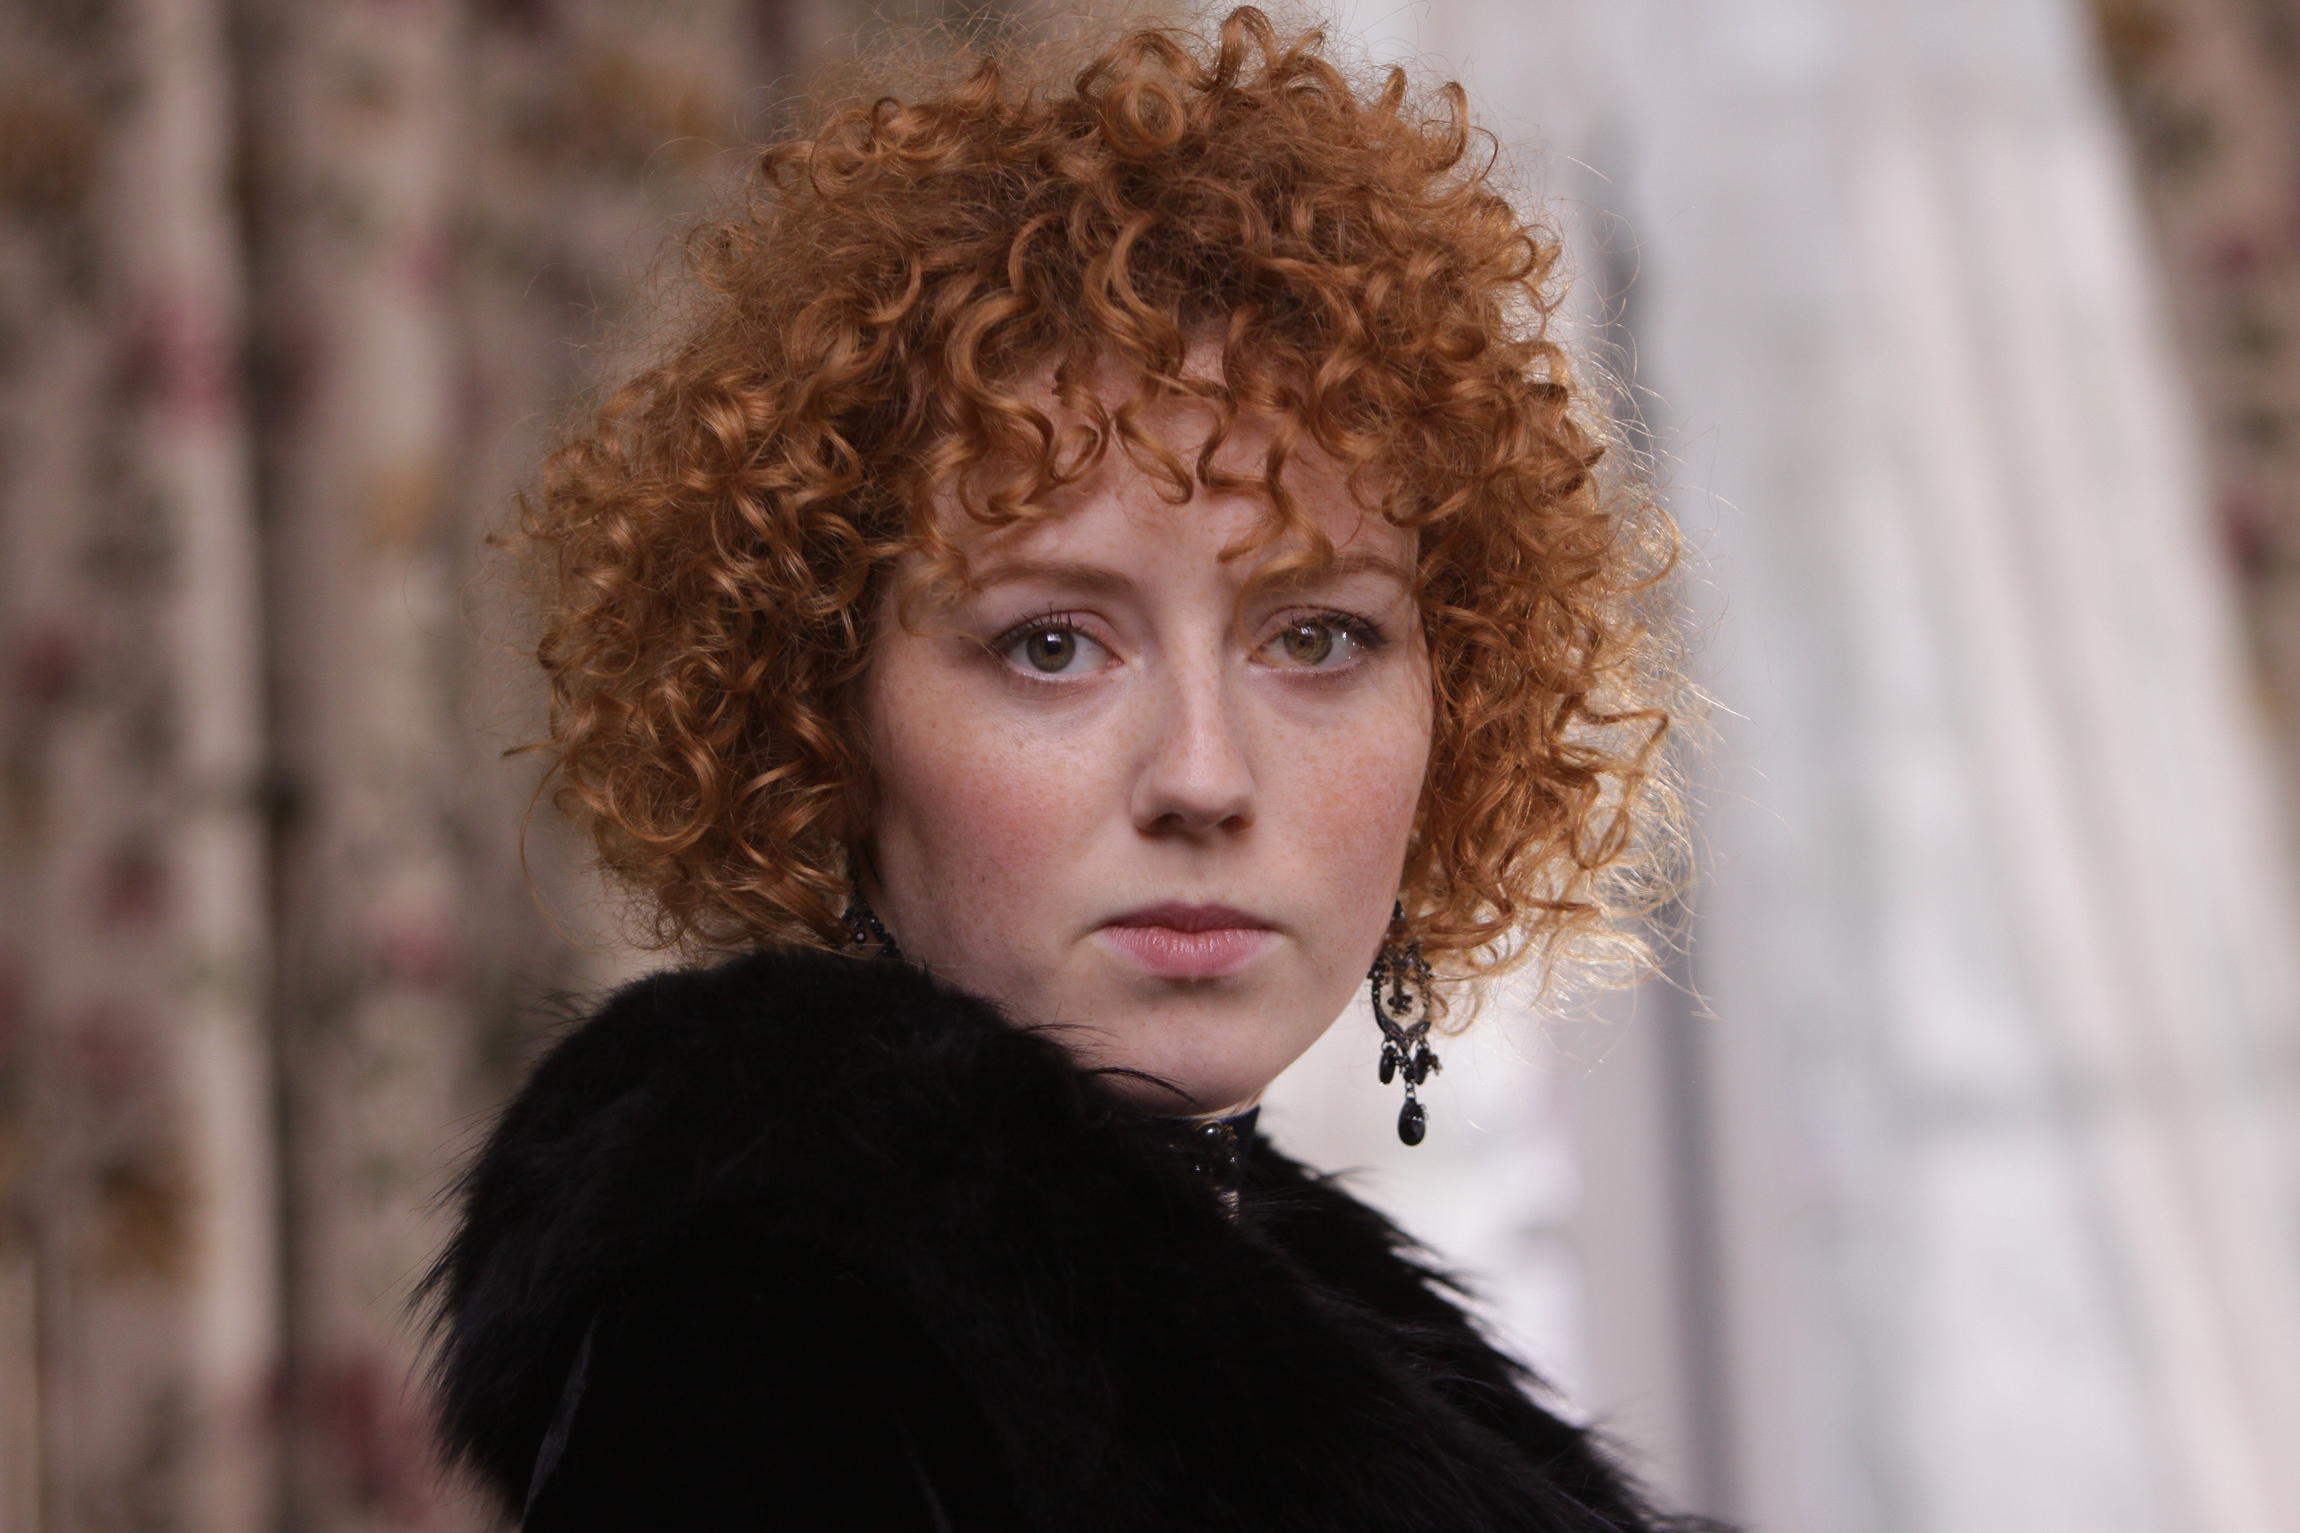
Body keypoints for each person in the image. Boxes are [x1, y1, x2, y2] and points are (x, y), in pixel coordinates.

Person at [426, 8, 1704, 1528]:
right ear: (821, 719)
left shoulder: (1267, 1305)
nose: (1203, 777)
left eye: (1315, 636)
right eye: (1052, 645)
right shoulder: (759, 1346)